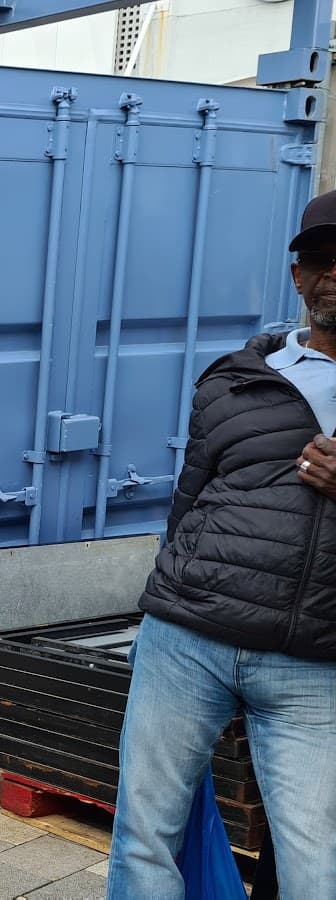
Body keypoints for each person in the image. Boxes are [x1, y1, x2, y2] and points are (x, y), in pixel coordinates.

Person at [108, 189, 336, 897]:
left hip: (312, 661)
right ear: (298, 276)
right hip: (188, 638)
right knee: (146, 836)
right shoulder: (235, 378)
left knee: (314, 863)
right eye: (322, 261)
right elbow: (190, 497)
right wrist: (161, 602)